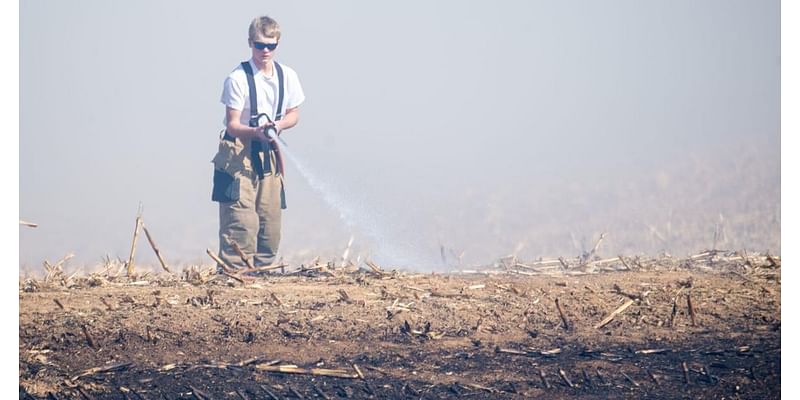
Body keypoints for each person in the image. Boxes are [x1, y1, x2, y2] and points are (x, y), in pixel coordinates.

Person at [212, 15, 305, 269]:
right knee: (242, 222)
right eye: (259, 45)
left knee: (270, 224)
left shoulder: (288, 76)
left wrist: (277, 126)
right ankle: (234, 275)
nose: (265, 51)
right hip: (238, 153)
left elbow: (294, 114)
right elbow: (232, 123)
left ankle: (263, 274)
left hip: (269, 152)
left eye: (271, 46)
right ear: (250, 43)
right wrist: (257, 131)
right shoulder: (237, 78)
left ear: (278, 44)